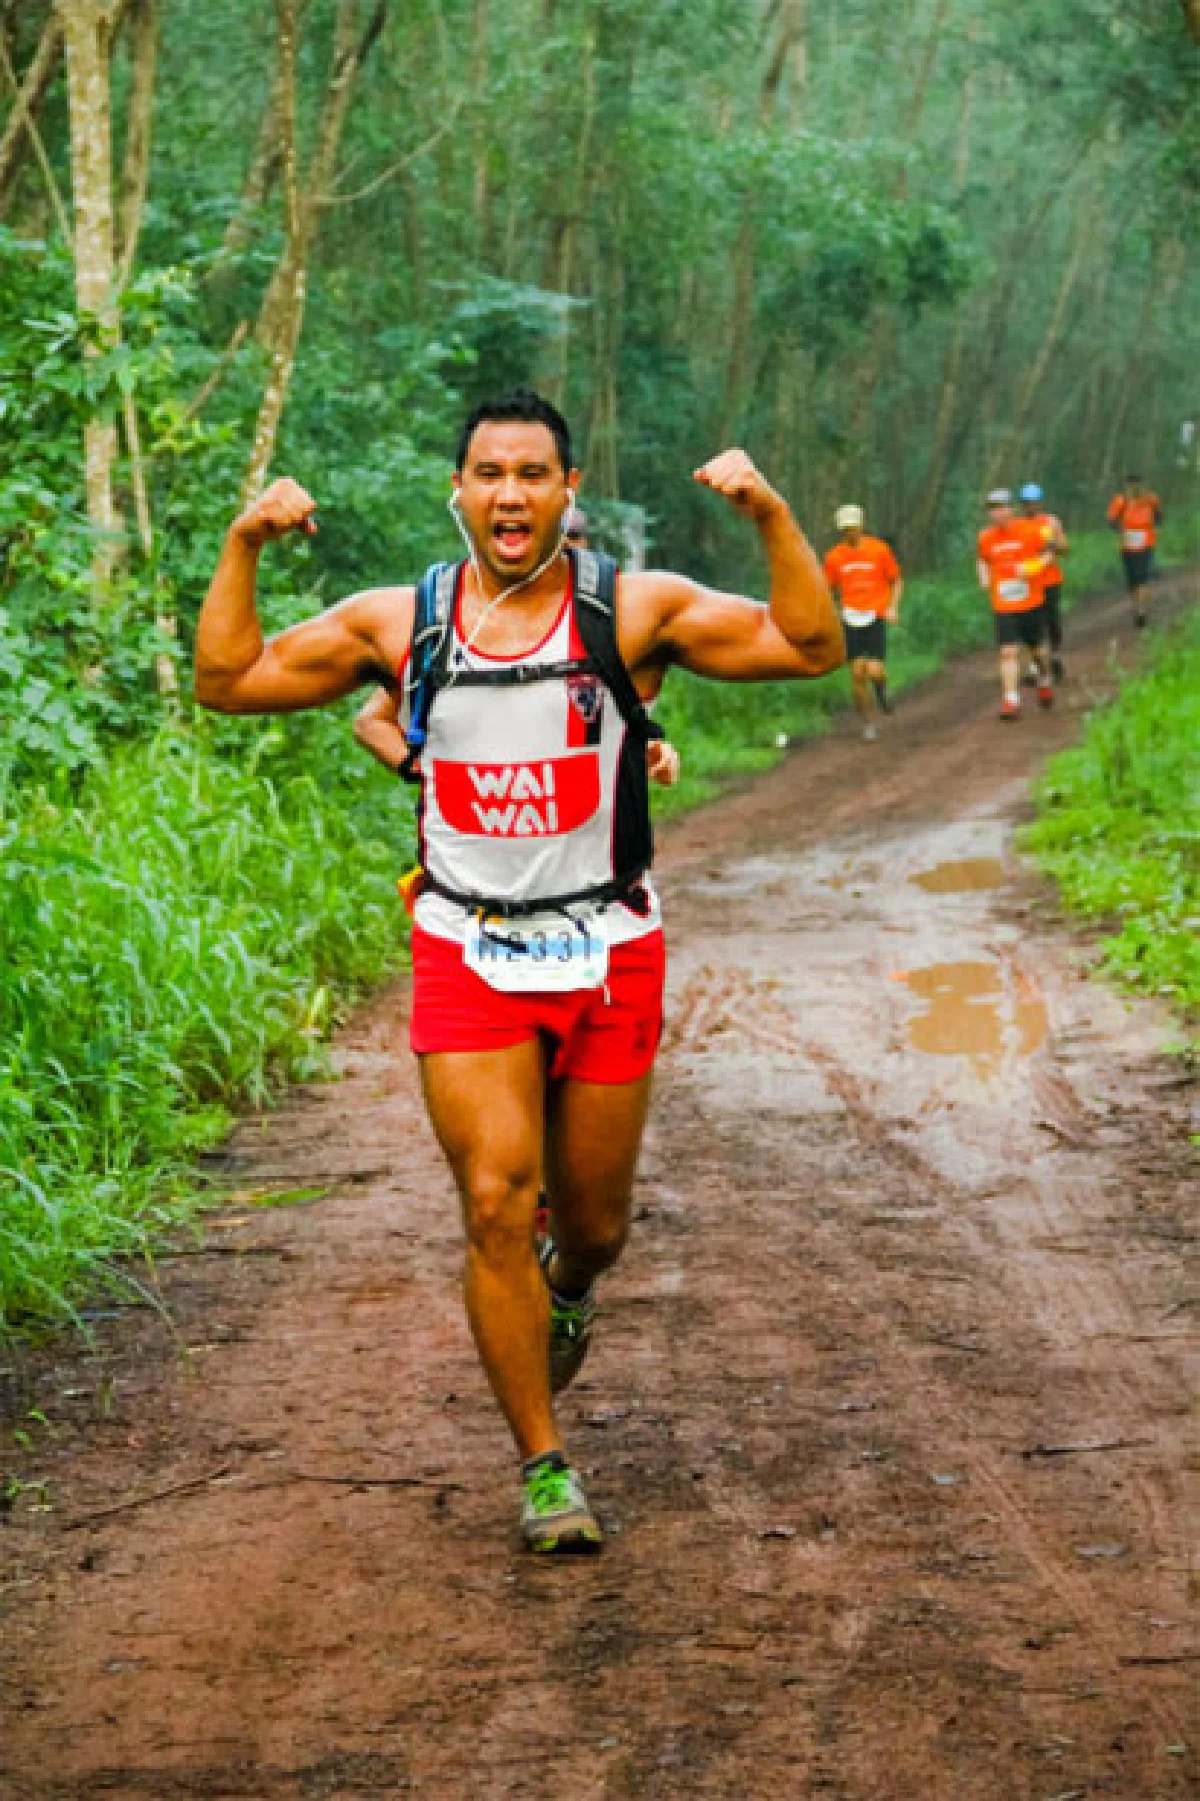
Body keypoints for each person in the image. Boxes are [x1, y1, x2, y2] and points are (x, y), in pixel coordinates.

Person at [194, 387, 843, 1555]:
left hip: (607, 945)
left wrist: (770, 515)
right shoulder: (403, 622)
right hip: (468, 945)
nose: (509, 493)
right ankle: (545, 1465)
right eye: (489, 472)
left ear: (565, 490)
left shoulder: (627, 611)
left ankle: (570, 1285)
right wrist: (243, 543)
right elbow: (228, 679)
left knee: (592, 1225)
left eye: (532, 473)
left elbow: (810, 644)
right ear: (459, 489)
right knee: (495, 1194)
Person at [821, 504, 902, 742]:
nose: (850, 532)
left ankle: (882, 691)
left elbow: (896, 580)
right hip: (850, 618)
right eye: (846, 529)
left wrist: (892, 607)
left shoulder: (879, 550)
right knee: (857, 673)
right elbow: (827, 588)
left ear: (862, 525)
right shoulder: (834, 556)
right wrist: (835, 611)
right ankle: (868, 723)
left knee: (875, 670)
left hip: (874, 615)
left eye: (853, 527)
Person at [976, 488, 1053, 720]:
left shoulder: (1030, 530)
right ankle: (1011, 700)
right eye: (992, 509)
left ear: (1011, 509)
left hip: (1030, 601)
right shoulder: (985, 537)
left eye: (1001, 507)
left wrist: (1032, 567)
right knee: (1007, 651)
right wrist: (983, 576)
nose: (997, 513)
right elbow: (982, 559)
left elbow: (1049, 553)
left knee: (1037, 650)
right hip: (1004, 604)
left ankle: (1044, 678)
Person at [1018, 483, 1068, 681]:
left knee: (1052, 620)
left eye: (1033, 502)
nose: (1029, 506)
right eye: (1026, 503)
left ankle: (1055, 655)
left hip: (1050, 580)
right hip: (1028, 581)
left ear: (1039, 503)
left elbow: (1065, 549)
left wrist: (1054, 544)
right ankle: (1034, 665)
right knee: (1031, 623)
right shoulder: (1016, 525)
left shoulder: (1051, 522)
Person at [1106, 474, 1163, 628]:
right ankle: (1137, 607)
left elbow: (1159, 517)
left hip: (1146, 544)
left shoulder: (1151, 499)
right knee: (1132, 580)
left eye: (1138, 484)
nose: (1135, 487)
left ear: (1143, 485)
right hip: (1128, 545)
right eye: (1132, 485)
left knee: (1142, 578)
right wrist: (1121, 530)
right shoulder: (1121, 501)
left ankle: (1141, 611)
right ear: (1127, 486)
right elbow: (1111, 520)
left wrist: (1155, 527)